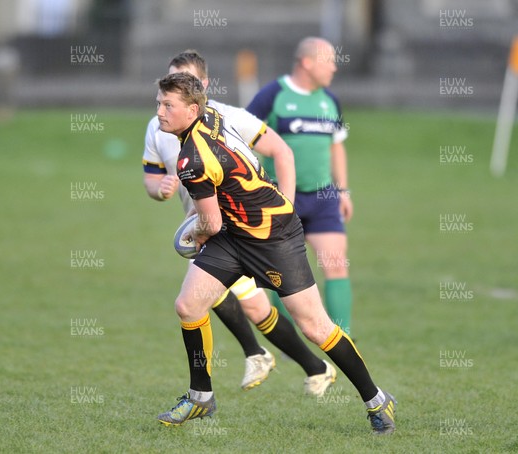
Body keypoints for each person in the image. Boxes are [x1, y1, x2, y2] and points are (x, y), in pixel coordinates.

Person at [155, 72, 396, 434]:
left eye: (167, 105)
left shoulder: (191, 160)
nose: (159, 112)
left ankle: (377, 399)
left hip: (274, 237)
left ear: (191, 109)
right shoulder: (212, 117)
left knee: (315, 327)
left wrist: (192, 239)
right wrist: (204, 233)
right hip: (236, 233)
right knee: (189, 305)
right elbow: (220, 221)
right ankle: (200, 396)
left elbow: (210, 224)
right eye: (158, 102)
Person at [143, 50, 336, 395]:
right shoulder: (159, 124)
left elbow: (281, 151)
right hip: (210, 229)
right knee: (221, 302)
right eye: (172, 80)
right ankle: (302, 364)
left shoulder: (228, 117)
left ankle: (268, 358)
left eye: (186, 80)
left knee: (245, 305)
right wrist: (162, 189)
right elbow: (152, 180)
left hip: (240, 231)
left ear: (203, 85)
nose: (176, 89)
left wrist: (287, 206)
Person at [247, 37, 354, 337]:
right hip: (280, 196)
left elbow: (337, 147)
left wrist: (343, 189)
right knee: (280, 275)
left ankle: (343, 337)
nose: (334, 67)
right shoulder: (272, 95)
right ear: (307, 62)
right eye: (328, 60)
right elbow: (240, 135)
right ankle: (287, 339)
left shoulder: (329, 100)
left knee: (336, 264)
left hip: (323, 198)